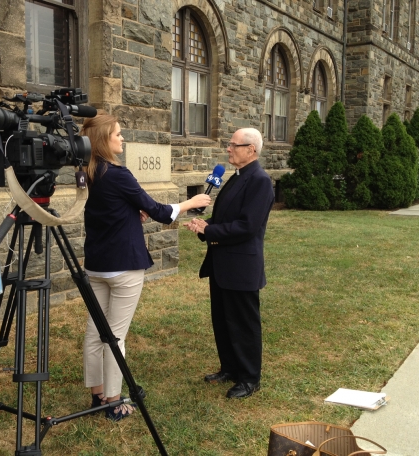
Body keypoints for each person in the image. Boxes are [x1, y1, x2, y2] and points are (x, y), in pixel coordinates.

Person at [80, 112, 211, 421]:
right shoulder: (117, 173)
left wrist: (130, 211)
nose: (122, 138)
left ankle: (97, 393)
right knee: (114, 336)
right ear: (103, 140)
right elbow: (160, 211)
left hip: (97, 264)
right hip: (122, 266)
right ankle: (113, 400)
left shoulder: (87, 171)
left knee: (94, 332)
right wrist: (192, 203)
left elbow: (106, 209)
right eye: (118, 134)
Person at [184, 127, 274, 399]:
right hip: (222, 263)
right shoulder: (235, 178)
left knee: (243, 323)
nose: (228, 149)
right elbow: (226, 219)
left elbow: (247, 226)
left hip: (241, 266)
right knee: (223, 320)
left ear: (252, 150)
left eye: (234, 145)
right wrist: (205, 224)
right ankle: (230, 368)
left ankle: (249, 378)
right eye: (229, 144)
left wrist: (209, 231)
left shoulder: (259, 181)